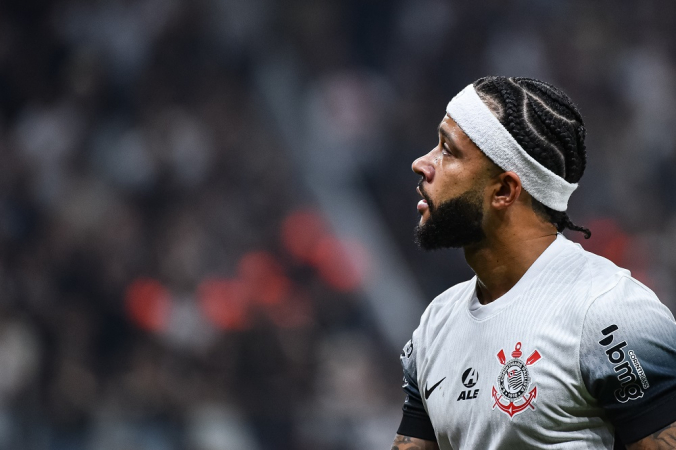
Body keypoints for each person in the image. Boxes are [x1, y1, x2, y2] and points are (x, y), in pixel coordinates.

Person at [391, 76, 676, 450]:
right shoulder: (435, 325)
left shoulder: (610, 312)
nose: (421, 163)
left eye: (448, 150)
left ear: (505, 190)